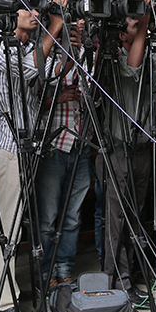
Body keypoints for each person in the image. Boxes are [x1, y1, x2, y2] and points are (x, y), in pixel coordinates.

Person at [0, 6, 64, 312]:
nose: (35, 13)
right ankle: (3, 300)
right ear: (8, 14)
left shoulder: (29, 46)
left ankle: (3, 285)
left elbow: (48, 71)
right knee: (9, 225)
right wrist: (55, 26)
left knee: (10, 223)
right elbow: (32, 68)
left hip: (30, 146)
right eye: (25, 8)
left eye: (37, 7)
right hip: (10, 147)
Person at [95, 11, 153, 305]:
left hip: (143, 149)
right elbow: (132, 68)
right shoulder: (114, 59)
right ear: (122, 35)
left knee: (134, 216)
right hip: (118, 149)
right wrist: (144, 22)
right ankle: (116, 279)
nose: (143, 28)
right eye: (135, 26)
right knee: (116, 219)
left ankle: (128, 274)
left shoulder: (151, 59)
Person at [35, 21, 90, 288]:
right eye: (71, 31)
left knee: (72, 216)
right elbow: (31, 99)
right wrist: (56, 99)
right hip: (54, 147)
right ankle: (44, 274)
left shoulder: (86, 60)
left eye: (78, 32)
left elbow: (99, 98)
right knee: (48, 218)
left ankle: (64, 267)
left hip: (80, 146)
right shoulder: (43, 57)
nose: (75, 36)